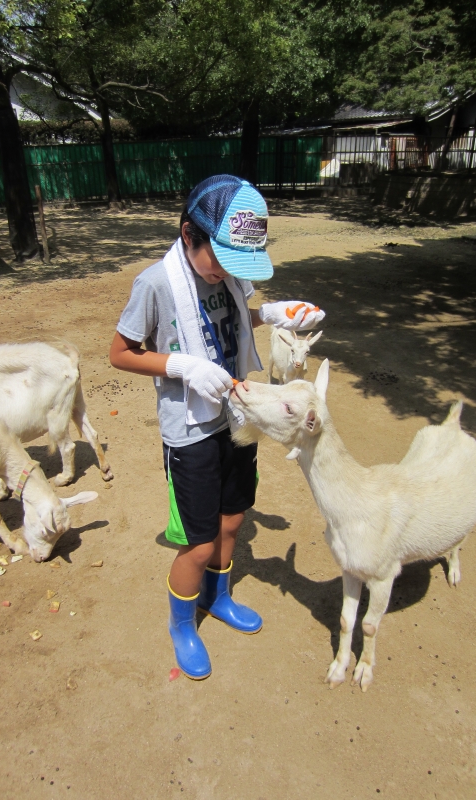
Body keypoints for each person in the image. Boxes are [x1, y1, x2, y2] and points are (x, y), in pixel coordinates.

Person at [109, 175, 324, 680]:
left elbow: (229, 314)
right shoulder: (155, 284)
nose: (226, 272)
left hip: (236, 414)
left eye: (236, 265)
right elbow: (120, 353)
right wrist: (182, 366)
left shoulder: (220, 275)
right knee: (199, 541)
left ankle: (218, 596)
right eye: (220, 260)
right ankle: (182, 625)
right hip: (190, 429)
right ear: (189, 235)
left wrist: (273, 313)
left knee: (232, 519)